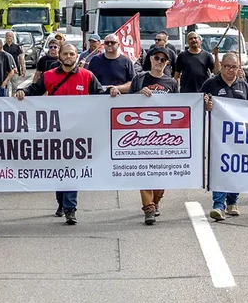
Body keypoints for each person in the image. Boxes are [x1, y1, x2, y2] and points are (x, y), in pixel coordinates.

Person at [16, 44, 119, 225]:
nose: (69, 56)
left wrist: (111, 90)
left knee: (73, 169)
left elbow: (100, 95)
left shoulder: (87, 76)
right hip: (56, 133)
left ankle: (70, 208)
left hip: (79, 133)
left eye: (72, 54)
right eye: (66, 53)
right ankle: (61, 202)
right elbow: (34, 91)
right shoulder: (48, 76)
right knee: (59, 169)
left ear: (77, 56)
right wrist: (22, 91)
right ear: (60, 57)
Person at [130, 47, 180, 225]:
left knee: (161, 172)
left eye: (163, 60)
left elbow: (179, 108)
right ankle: (148, 208)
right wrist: (138, 94)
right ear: (150, 59)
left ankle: (156, 200)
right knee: (144, 171)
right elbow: (128, 103)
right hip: (141, 135)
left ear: (167, 63)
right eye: (157, 58)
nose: (159, 62)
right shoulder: (140, 78)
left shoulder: (171, 83)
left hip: (164, 136)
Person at [202, 52, 248, 221]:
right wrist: (206, 105)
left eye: (234, 67)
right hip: (218, 138)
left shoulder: (243, 86)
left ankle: (232, 202)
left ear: (239, 68)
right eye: (227, 66)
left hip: (239, 137)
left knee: (236, 169)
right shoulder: (211, 84)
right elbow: (198, 104)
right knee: (220, 169)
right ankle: (218, 205)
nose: (230, 70)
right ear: (221, 66)